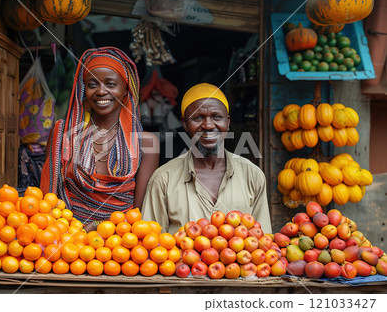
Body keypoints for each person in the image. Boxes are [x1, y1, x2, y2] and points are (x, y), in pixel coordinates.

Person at [41, 47, 159, 229]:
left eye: (110, 84)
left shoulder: (146, 143)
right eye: (92, 84)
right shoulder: (63, 134)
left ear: (126, 90)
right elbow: (49, 198)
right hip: (66, 237)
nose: (101, 91)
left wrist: (99, 227)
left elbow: (139, 212)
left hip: (121, 244)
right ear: (83, 89)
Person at [141, 83, 271, 234]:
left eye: (216, 117)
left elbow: (263, 240)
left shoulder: (252, 175)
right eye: (198, 118)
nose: (208, 125)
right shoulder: (163, 180)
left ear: (227, 122)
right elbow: (151, 244)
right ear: (185, 124)